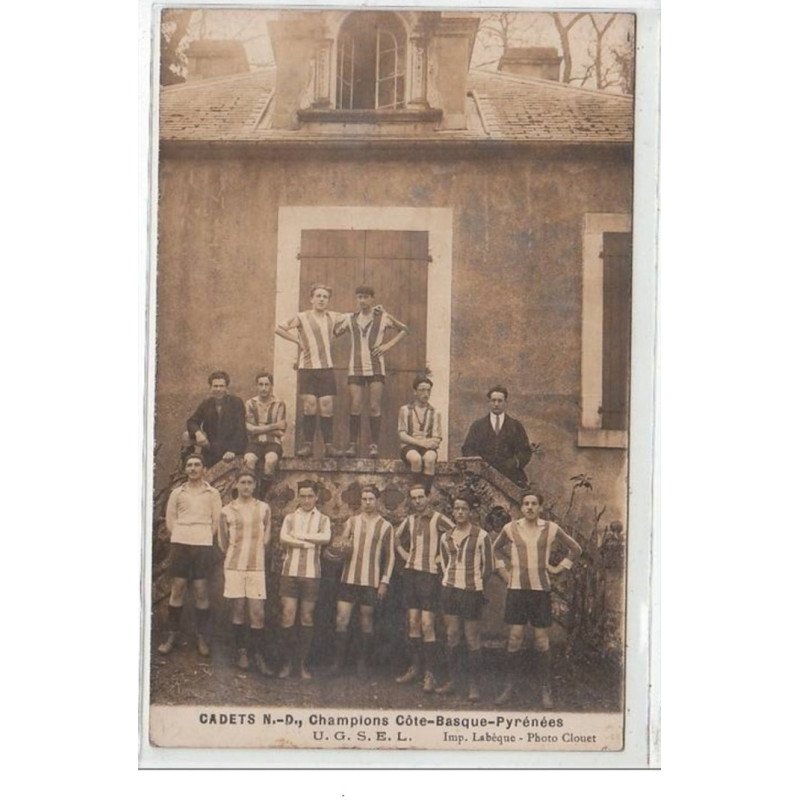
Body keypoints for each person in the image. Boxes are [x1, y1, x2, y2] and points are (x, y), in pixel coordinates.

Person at [493, 490, 582, 708]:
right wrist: (505, 574)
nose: (530, 507)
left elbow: (576, 548)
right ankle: (509, 686)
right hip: (517, 590)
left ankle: (546, 689)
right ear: (521, 507)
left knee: (542, 641)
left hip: (540, 591)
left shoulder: (551, 528)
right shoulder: (510, 528)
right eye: (526, 504)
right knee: (515, 638)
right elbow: (493, 550)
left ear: (540, 507)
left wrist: (559, 568)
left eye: (534, 503)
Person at [158, 454, 222, 658]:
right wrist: (179, 535)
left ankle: (201, 637)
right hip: (181, 544)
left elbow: (216, 521)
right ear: (186, 469)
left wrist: (203, 537)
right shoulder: (178, 492)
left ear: (204, 468)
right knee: (177, 588)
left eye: (197, 465)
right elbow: (170, 519)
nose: (193, 468)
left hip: (202, 545)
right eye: (190, 465)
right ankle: (172, 636)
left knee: (201, 590)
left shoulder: (212, 493)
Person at [328, 485, 395, 676]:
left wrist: (384, 582)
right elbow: (341, 545)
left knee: (366, 621)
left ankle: (362, 663)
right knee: (342, 620)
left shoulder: (385, 526)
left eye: (371, 499)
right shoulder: (352, 521)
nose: (367, 503)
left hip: (371, 581)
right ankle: (338, 663)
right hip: (348, 578)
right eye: (364, 499)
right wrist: (337, 549)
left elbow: (389, 557)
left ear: (377, 501)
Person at [394, 483, 453, 693]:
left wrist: (440, 557)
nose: (418, 501)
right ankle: (415, 668)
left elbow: (456, 535)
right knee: (413, 623)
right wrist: (405, 555)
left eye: (421, 497)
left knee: (428, 624)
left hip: (430, 576)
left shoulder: (438, 519)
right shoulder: (409, 520)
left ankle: (431, 673)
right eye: (414, 498)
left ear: (428, 497)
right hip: (411, 575)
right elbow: (396, 539)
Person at [275, 284, 346, 457]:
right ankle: (308, 446)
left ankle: (329, 446)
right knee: (310, 406)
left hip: (326, 368)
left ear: (328, 300)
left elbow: (354, 318)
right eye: (318, 296)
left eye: (325, 297)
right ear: (311, 299)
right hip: (307, 368)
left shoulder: (333, 317)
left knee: (327, 406)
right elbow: (278, 328)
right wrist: (297, 341)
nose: (322, 299)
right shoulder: (302, 317)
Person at [436, 493, 494, 702]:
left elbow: (489, 568)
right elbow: (444, 563)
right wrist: (451, 580)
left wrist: (476, 585)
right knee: (452, 635)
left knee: (472, 638)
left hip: (471, 591)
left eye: (464, 509)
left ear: (470, 512)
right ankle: (452, 681)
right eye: (457, 508)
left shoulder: (481, 536)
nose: (460, 512)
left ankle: (473, 685)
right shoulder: (446, 536)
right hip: (450, 589)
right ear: (452, 511)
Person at [339, 286, 409, 458]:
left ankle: (374, 445)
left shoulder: (383, 317)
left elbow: (404, 329)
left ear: (372, 298)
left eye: (366, 297)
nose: (362, 301)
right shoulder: (350, 318)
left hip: (376, 367)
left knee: (374, 406)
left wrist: (387, 346)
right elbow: (334, 332)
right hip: (355, 367)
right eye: (359, 297)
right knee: (355, 404)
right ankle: (353, 445)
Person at [276, 480, 332, 680]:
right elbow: (283, 538)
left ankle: (302, 665)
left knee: (307, 617)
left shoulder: (323, 519)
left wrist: (297, 537)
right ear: (298, 497)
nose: (306, 500)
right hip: (289, 573)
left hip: (311, 574)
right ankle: (287, 663)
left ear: (316, 497)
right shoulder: (290, 517)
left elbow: (325, 538)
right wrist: (307, 541)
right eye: (303, 496)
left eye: (310, 496)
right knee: (287, 615)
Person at [218, 470, 272, 676]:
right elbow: (222, 542)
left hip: (256, 567)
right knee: (238, 610)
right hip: (234, 566)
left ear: (255, 485)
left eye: (250, 482)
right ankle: (242, 653)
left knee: (257, 612)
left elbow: (267, 537)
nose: (246, 486)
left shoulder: (264, 508)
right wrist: (236, 554)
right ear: (236, 485)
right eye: (243, 482)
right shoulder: (226, 511)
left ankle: (258, 655)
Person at [461, 385, 533, 487]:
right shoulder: (477, 425)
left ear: (505, 403)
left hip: (510, 476)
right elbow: (468, 449)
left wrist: (513, 463)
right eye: (493, 400)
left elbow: (525, 451)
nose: (496, 404)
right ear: (488, 402)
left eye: (500, 401)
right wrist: (479, 464)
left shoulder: (516, 425)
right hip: (482, 477)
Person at [184, 371, 247, 468]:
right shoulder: (206, 404)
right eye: (215, 386)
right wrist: (198, 433)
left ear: (226, 388)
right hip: (211, 450)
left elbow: (241, 430)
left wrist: (233, 450)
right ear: (210, 388)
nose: (218, 389)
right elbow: (191, 422)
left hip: (230, 450)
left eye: (221, 386)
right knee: (186, 435)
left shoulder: (236, 403)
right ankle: (186, 466)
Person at [243, 371, 286, 496]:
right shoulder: (250, 403)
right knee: (249, 460)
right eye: (260, 384)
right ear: (256, 386)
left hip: (273, 442)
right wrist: (273, 426)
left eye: (267, 385)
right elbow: (250, 429)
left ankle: (261, 496)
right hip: (254, 442)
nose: (263, 388)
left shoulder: (279, 404)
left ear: (271, 386)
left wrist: (259, 427)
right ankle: (251, 495)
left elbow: (281, 430)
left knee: (271, 460)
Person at [398, 376, 442, 494]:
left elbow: (437, 437)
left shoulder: (435, 412)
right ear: (415, 391)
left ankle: (426, 494)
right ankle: (416, 491)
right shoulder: (405, 410)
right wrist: (420, 442)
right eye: (422, 390)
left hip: (427, 447)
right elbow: (402, 434)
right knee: (416, 459)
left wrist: (432, 443)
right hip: (409, 446)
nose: (426, 394)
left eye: (428, 390)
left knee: (430, 459)